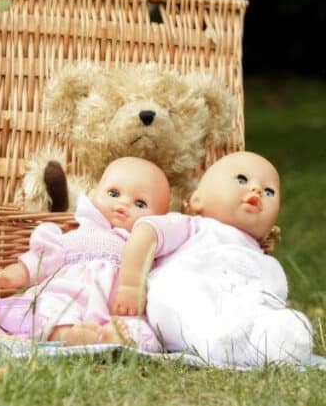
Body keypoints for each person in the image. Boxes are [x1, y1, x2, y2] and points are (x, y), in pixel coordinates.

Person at [113, 151, 313, 365]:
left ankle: (263, 344)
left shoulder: (262, 259)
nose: (257, 190)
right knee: (185, 292)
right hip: (184, 296)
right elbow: (146, 232)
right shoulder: (192, 227)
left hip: (235, 311)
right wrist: (132, 285)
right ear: (198, 200)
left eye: (269, 191)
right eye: (242, 180)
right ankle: (219, 341)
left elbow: (269, 296)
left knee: (288, 322)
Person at [0, 157, 169, 348]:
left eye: (140, 204)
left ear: (161, 219)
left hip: (117, 313)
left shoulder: (148, 249)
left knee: (146, 330)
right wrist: (15, 274)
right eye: (113, 193)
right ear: (94, 194)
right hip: (68, 299)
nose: (122, 205)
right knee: (44, 307)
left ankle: (115, 337)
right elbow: (41, 261)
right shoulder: (76, 236)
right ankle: (69, 334)